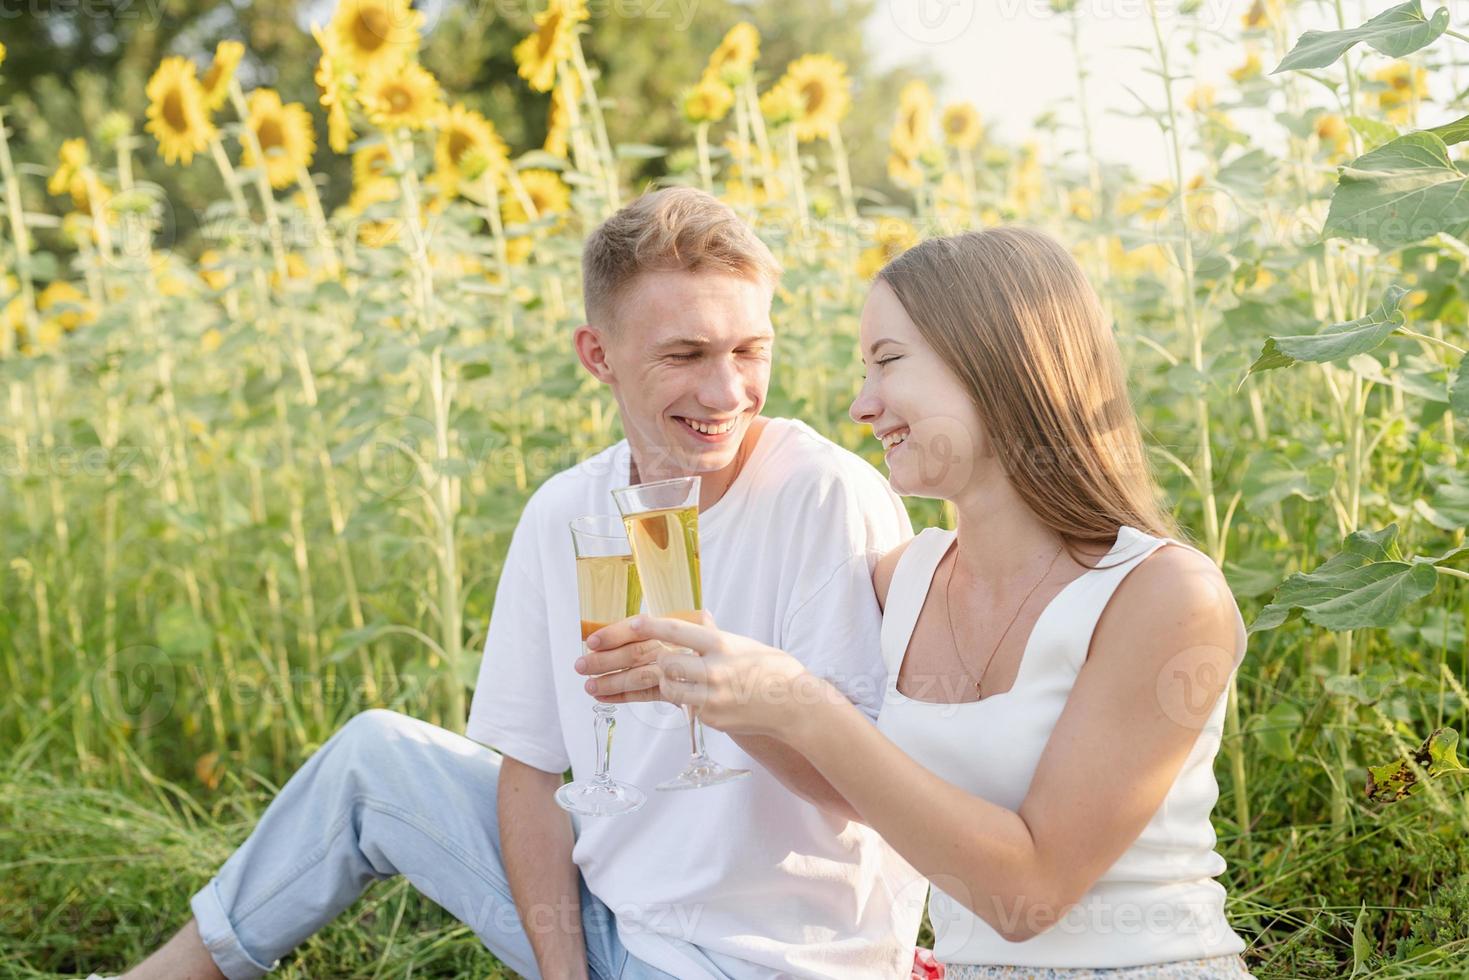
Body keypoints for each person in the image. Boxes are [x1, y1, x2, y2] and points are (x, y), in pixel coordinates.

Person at [113, 188, 926, 980]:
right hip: (612, 927)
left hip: (768, 962)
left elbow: (871, 799)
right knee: (373, 757)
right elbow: (531, 775)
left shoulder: (825, 497)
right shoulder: (565, 511)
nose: (727, 393)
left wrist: (731, 699)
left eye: (749, 350)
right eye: (685, 354)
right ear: (597, 355)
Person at [581, 228, 1258, 979]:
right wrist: (719, 694)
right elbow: (860, 792)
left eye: (886, 362)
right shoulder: (904, 580)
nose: (860, 405)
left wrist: (800, 700)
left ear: (998, 364)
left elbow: (1028, 899)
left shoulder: (1162, 594)